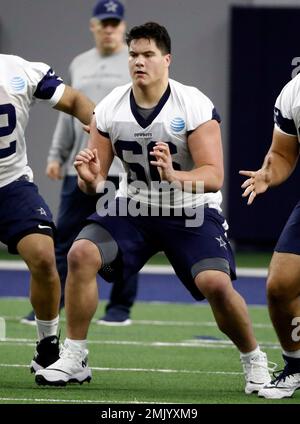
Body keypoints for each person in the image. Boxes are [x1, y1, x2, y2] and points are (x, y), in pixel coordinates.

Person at [35, 22, 272, 395]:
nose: (139, 62)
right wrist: (89, 178)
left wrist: (174, 175)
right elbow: (94, 180)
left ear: (167, 59)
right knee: (81, 253)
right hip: (135, 206)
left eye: (147, 55)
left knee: (216, 284)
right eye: (133, 55)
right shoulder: (111, 106)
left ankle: (254, 359)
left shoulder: (192, 103)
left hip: (190, 209)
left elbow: (214, 176)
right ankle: (75, 356)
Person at [20, 0, 138, 327]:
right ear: (94, 26)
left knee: (122, 240)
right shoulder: (79, 63)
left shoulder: (134, 63)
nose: (110, 29)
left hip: (121, 170)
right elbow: (68, 114)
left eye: (115, 23)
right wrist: (57, 155)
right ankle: (51, 304)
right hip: (80, 167)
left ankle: (119, 308)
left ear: (123, 26)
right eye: (105, 23)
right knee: (64, 239)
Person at [0, 53, 94, 373]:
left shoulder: (19, 70)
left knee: (43, 255)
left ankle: (47, 345)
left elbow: (75, 100)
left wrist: (103, 131)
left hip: (11, 185)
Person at [239, 73, 300, 399]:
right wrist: (269, 173)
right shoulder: (294, 91)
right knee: (280, 286)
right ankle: (296, 365)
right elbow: (284, 153)